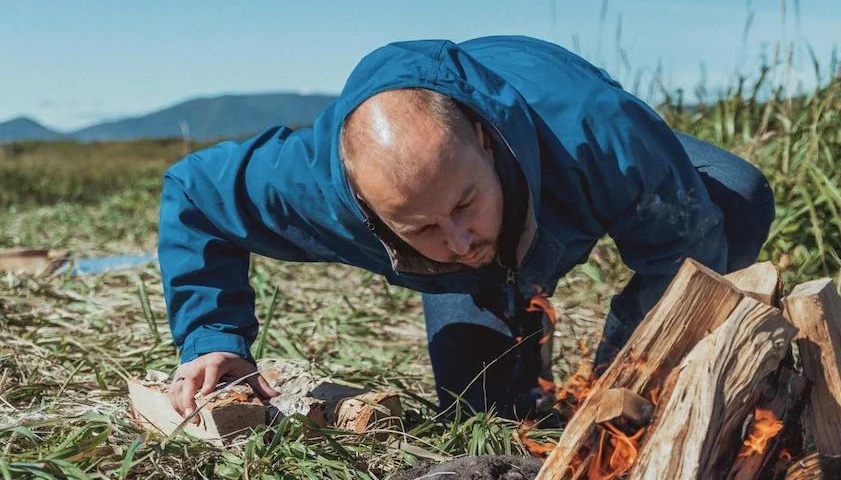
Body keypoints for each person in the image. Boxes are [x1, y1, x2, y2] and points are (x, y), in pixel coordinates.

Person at [161, 36, 774, 421]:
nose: (457, 241)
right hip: (467, 235)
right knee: (482, 414)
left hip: (553, 145)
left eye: (464, 205)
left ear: (484, 144)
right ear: (367, 210)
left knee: (734, 201)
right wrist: (213, 336)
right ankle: (506, 323)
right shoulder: (313, 189)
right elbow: (193, 192)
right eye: (420, 226)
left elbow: (683, 254)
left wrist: (621, 376)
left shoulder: (598, 135)